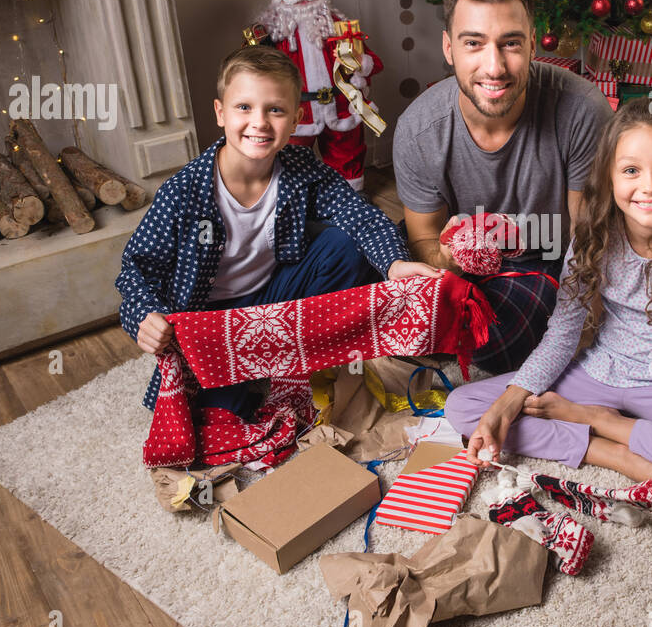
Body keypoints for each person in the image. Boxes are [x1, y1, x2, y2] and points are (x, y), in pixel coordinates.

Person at [444, 98, 652, 506]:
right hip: (602, 375)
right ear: (610, 177)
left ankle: (605, 426)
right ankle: (615, 455)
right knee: (467, 406)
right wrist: (505, 405)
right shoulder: (593, 239)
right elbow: (561, 338)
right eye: (631, 171)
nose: (650, 186)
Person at [117, 44, 440, 415]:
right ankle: (257, 372)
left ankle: (308, 357)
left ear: (296, 117)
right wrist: (144, 318)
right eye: (244, 107)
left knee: (344, 243)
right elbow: (136, 270)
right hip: (210, 323)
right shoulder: (184, 192)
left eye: (275, 109)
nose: (260, 122)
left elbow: (359, 215)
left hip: (276, 300)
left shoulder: (300, 167)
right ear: (220, 113)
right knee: (223, 416)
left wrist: (395, 263)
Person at [390, 0, 612, 375]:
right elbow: (422, 239)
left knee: (497, 342)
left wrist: (582, 324)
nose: (494, 68)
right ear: (448, 47)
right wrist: (447, 257)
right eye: (473, 43)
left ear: (532, 42)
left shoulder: (581, 110)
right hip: (461, 266)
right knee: (381, 289)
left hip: (545, 262)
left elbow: (590, 240)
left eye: (510, 43)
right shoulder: (419, 130)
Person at [254, 0, 383, 190]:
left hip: (341, 105)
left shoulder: (338, 26)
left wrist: (358, 60)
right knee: (291, 159)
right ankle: (298, 202)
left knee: (347, 152)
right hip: (297, 109)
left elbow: (374, 62)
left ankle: (350, 197)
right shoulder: (273, 35)